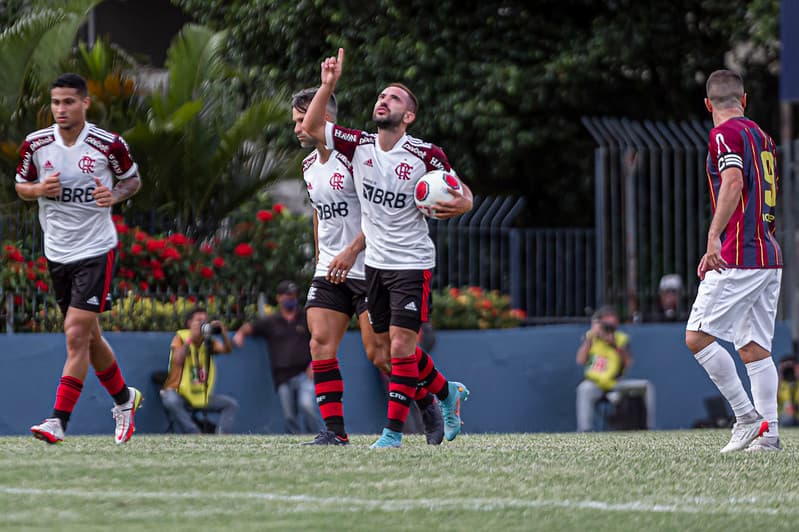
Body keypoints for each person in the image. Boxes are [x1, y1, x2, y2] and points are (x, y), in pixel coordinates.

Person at [303, 48, 473, 448]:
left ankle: (392, 435)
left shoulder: (424, 154)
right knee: (387, 352)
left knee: (399, 347)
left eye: (393, 98)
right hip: (375, 265)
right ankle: (447, 393)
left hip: (412, 262)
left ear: (408, 116)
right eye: (381, 96)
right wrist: (327, 85)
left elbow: (461, 191)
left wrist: (462, 204)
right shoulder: (358, 145)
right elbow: (312, 128)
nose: (383, 100)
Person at [291, 88, 444, 446]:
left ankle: (429, 398)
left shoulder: (356, 156)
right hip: (330, 270)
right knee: (319, 343)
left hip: (369, 265)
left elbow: (379, 213)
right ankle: (335, 431)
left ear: (323, 118)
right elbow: (318, 211)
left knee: (383, 355)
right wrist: (321, 256)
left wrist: (351, 250)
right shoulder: (309, 166)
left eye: (302, 120)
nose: (298, 128)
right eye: (296, 121)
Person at [15, 73, 143, 444]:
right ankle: (124, 399)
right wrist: (39, 189)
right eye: (55, 102)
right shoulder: (36, 144)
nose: (61, 109)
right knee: (88, 338)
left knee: (75, 334)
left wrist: (114, 196)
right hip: (57, 252)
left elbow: (132, 180)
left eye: (68, 102)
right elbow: (20, 186)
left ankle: (58, 420)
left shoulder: (107, 144)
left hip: (95, 249)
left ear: (85, 103)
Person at [685, 69, 783, 452]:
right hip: (767, 253)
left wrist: (713, 238)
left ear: (709, 104)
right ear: (744, 100)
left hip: (739, 253)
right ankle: (769, 434)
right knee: (753, 347)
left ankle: (746, 417)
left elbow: (733, 181)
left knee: (697, 335)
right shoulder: (762, 135)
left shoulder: (724, 133)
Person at [234, 280, 323, 434]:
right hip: (282, 376)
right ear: (279, 298)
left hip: (304, 374)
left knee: (306, 406)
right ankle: (296, 440)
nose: (291, 299)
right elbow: (250, 327)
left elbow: (319, 340)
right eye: (288, 295)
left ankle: (317, 436)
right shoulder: (271, 321)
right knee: (289, 415)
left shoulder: (305, 317)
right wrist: (241, 334)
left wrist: (314, 364)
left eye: (294, 295)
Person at [575, 306, 655, 431]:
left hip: (617, 383)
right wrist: (591, 338)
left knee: (646, 386)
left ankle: (649, 428)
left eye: (612, 326)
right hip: (596, 384)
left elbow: (629, 362)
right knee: (584, 388)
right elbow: (580, 360)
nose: (609, 329)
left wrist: (614, 345)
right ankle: (585, 431)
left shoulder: (620, 338)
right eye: (606, 326)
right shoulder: (590, 337)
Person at [160, 307, 238, 434]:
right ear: (189, 323)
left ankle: (222, 438)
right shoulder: (180, 338)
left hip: (200, 394)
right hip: (182, 393)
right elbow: (178, 359)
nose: (203, 323)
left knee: (230, 404)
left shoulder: (208, 341)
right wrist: (191, 339)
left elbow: (227, 350)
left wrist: (222, 332)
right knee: (169, 399)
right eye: (199, 320)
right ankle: (194, 432)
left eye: (205, 320)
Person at [777, 354, 798, 427]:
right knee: (787, 419)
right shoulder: (781, 383)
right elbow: (773, 401)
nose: (789, 371)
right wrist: (781, 375)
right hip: (786, 418)